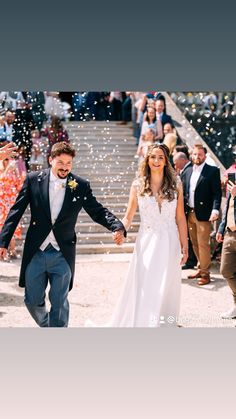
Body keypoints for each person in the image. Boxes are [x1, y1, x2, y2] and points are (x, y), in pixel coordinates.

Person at [0, 142, 126, 327]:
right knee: (32, 300)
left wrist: (117, 226)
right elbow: (16, 211)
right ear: (51, 160)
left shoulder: (80, 185)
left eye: (69, 163)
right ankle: (47, 325)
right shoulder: (34, 179)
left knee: (59, 302)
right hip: (36, 250)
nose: (65, 167)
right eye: (60, 162)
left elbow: (97, 211)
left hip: (62, 252)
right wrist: (3, 241)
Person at [87, 143, 188, 327]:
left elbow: (180, 217)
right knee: (147, 284)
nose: (156, 161)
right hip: (147, 242)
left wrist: (185, 245)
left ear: (166, 161)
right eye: (153, 157)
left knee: (167, 284)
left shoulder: (176, 184)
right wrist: (119, 229)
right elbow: (128, 216)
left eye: (160, 157)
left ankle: (163, 324)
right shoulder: (138, 185)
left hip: (170, 240)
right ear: (147, 160)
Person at [181, 144, 222, 285]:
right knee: (194, 243)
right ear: (191, 155)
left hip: (204, 214)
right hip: (189, 213)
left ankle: (205, 273)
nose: (197, 157)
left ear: (205, 156)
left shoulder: (212, 171)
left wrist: (215, 210)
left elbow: (217, 193)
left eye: (200, 154)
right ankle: (201, 267)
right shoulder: (187, 171)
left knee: (203, 244)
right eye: (194, 154)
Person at [216, 174, 236, 319]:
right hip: (229, 234)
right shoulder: (233, 183)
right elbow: (228, 208)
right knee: (226, 271)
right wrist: (221, 229)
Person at [0, 157, 25, 259]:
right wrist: (6, 170)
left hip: (11, 200)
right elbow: (1, 181)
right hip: (1, 200)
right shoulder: (2, 170)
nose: (7, 161)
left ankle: (12, 250)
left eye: (8, 159)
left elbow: (18, 186)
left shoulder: (13, 170)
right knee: (2, 224)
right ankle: (3, 251)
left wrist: (20, 177)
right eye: (5, 159)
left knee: (12, 223)